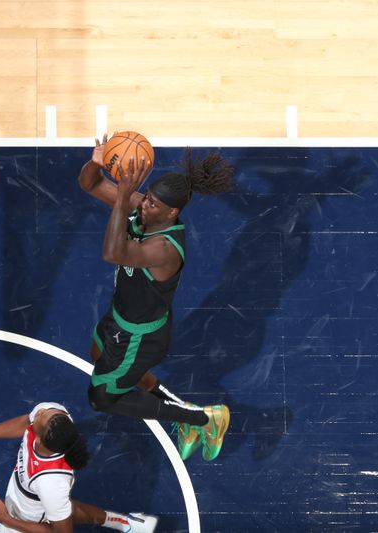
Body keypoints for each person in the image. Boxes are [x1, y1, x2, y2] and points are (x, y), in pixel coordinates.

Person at [77, 134, 234, 462]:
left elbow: (113, 252)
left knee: (102, 399)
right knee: (97, 352)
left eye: (151, 203)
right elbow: (90, 186)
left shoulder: (164, 248)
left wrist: (122, 197)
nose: (144, 205)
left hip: (139, 335)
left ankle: (205, 419)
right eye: (144, 197)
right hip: (121, 316)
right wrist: (96, 163)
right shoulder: (147, 212)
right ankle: (176, 404)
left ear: (172, 212)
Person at [0, 402, 158, 533]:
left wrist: (6, 520)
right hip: (37, 504)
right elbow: (25, 422)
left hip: (26, 522)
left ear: (40, 438)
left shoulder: (51, 483)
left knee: (61, 514)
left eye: (40, 417)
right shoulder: (53, 416)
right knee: (67, 511)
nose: (40, 412)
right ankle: (128, 523)